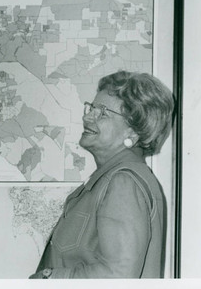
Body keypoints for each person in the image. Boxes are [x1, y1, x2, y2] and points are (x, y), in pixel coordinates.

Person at [30, 71, 175, 279]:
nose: (87, 116)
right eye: (92, 108)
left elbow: (116, 277)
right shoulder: (110, 180)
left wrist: (48, 277)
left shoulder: (123, 183)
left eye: (103, 112)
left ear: (132, 133)